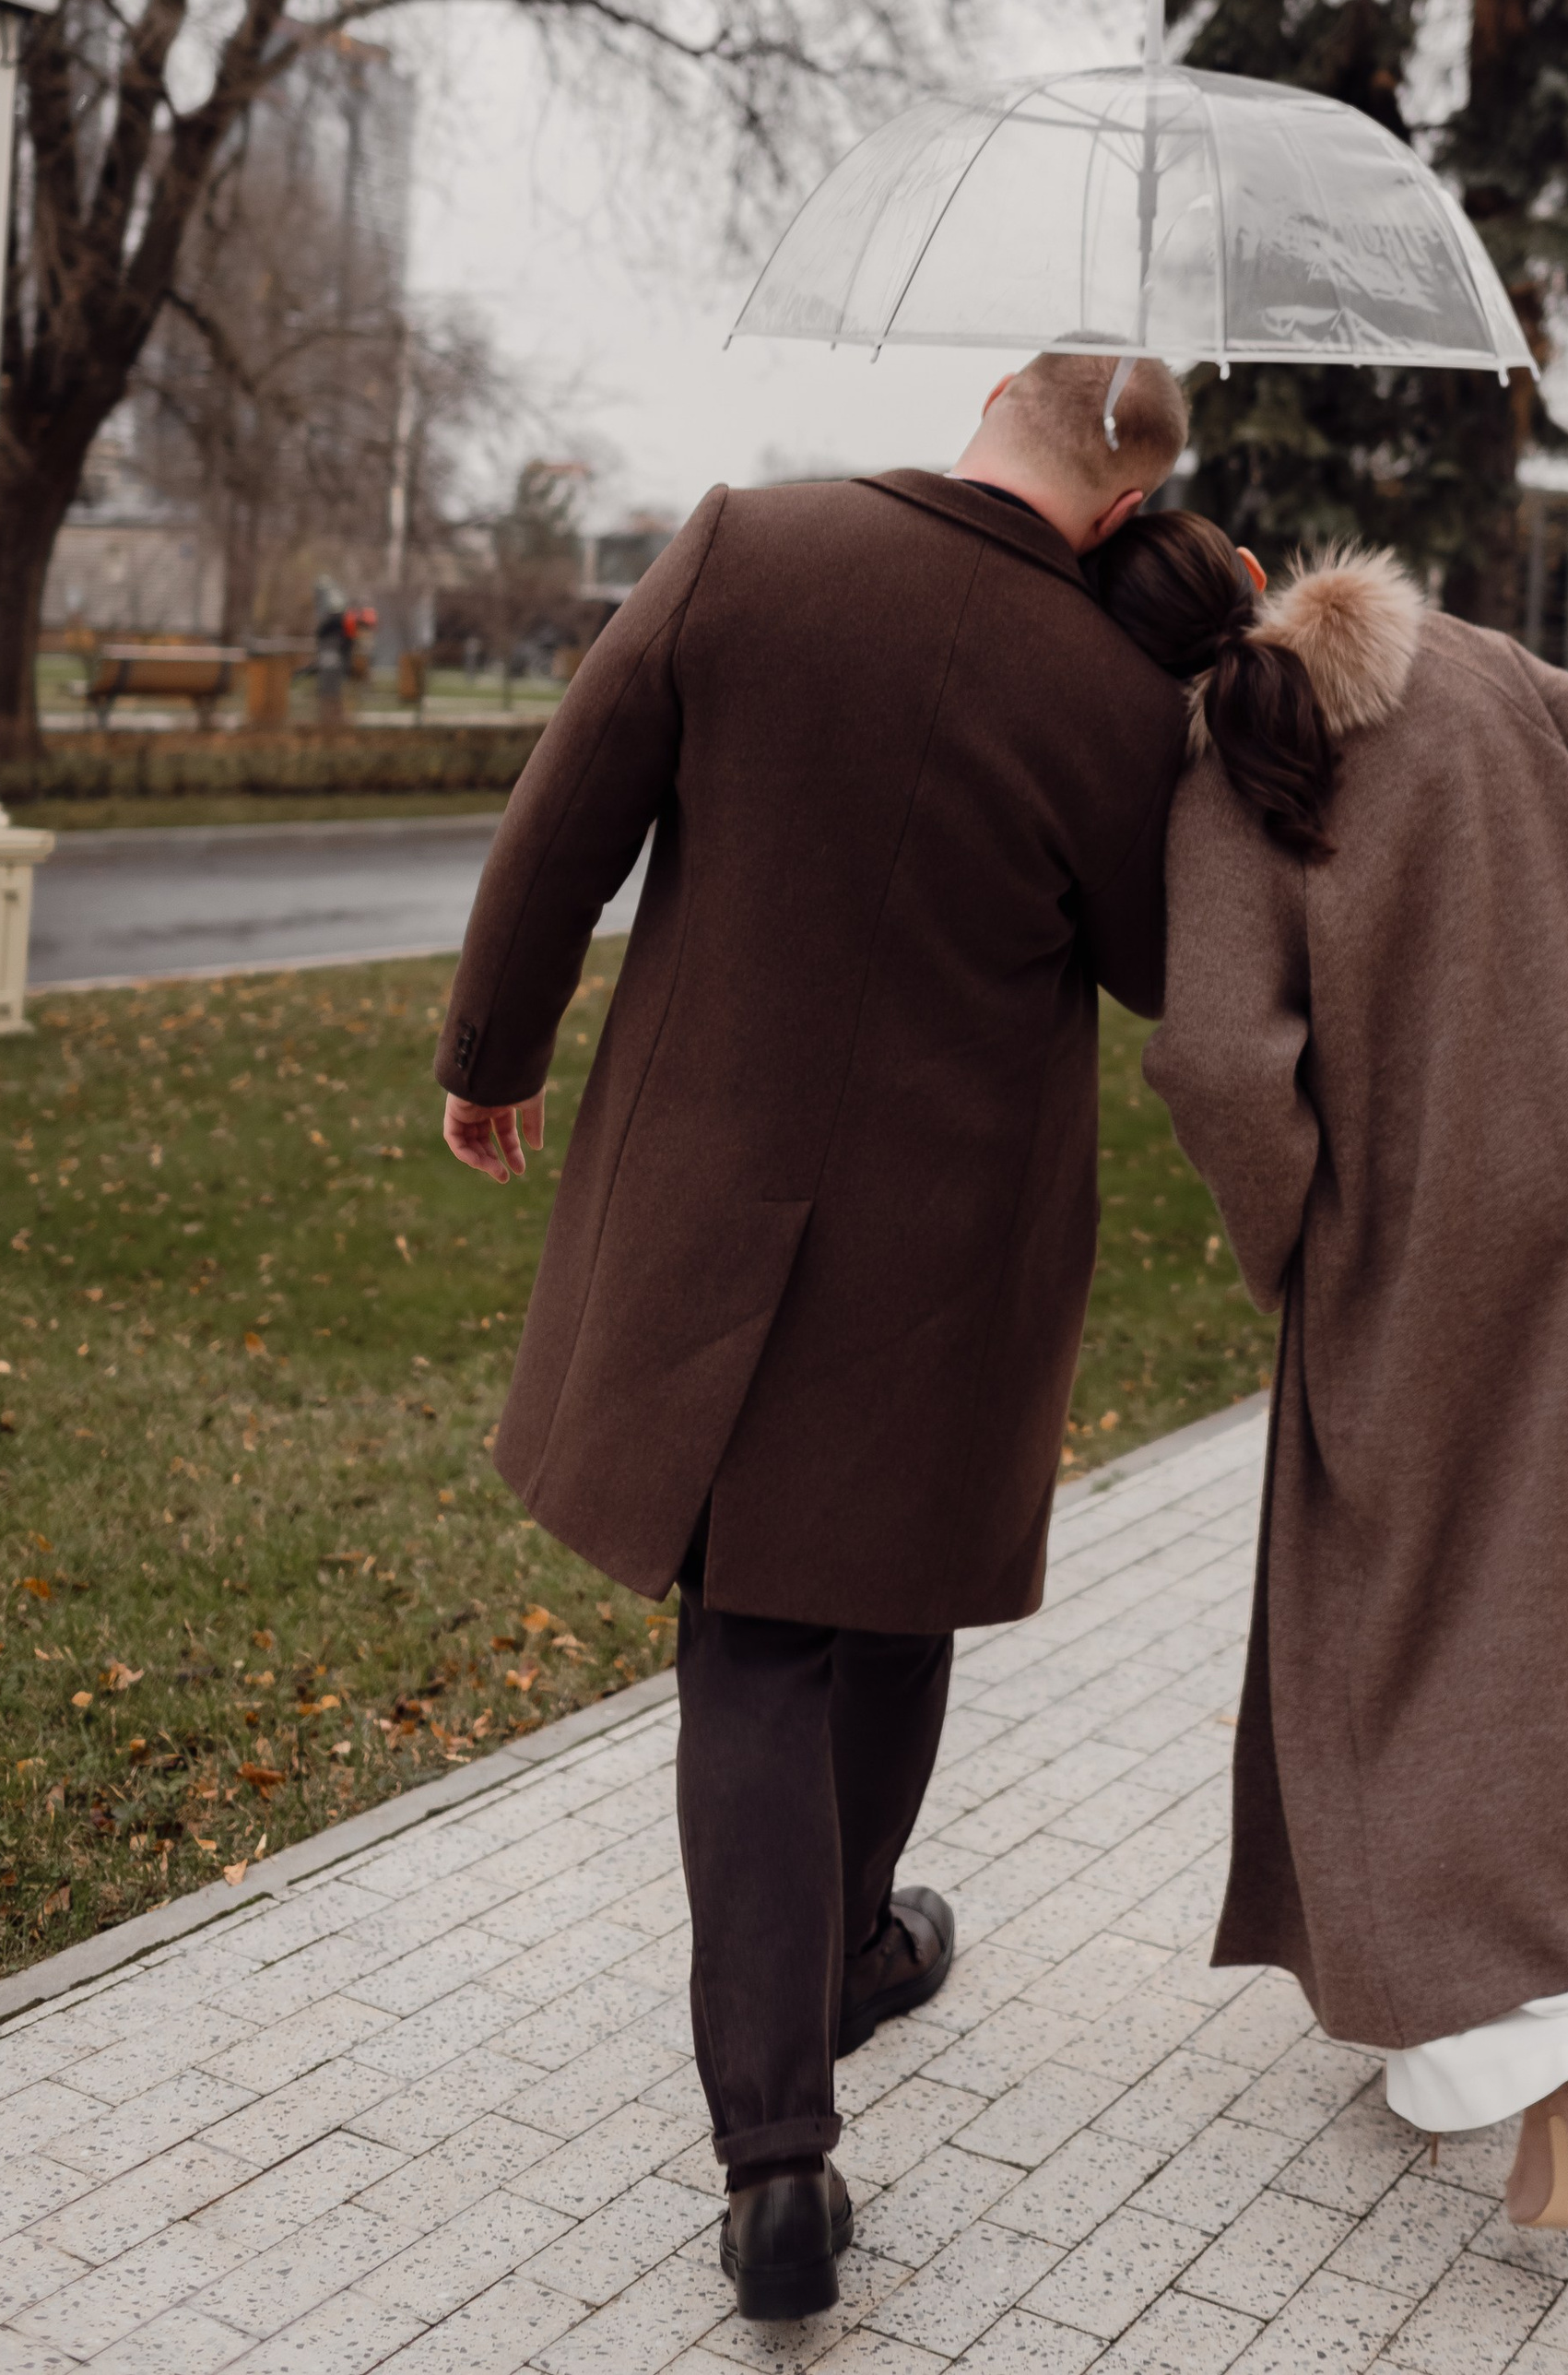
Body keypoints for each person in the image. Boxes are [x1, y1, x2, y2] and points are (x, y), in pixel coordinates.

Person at [436, 357, 1192, 2322]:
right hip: (951, 1245)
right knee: (892, 1592)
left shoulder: (744, 548)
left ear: (991, 406)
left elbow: (567, 819)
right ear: (1124, 511)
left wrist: (491, 1049)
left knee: (755, 1639)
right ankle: (845, 1946)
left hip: (712, 1201)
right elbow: (1156, 964)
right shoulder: (1113, 695)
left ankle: (780, 2152)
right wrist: (1181, 674)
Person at [1091, 510, 1568, 2235]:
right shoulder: (1471, 660)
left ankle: (1528, 2052)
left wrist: (1294, 1244)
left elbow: (1219, 1062)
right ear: (1267, 576)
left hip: (1428, 1224)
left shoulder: (1225, 772)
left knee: (1400, 1609)